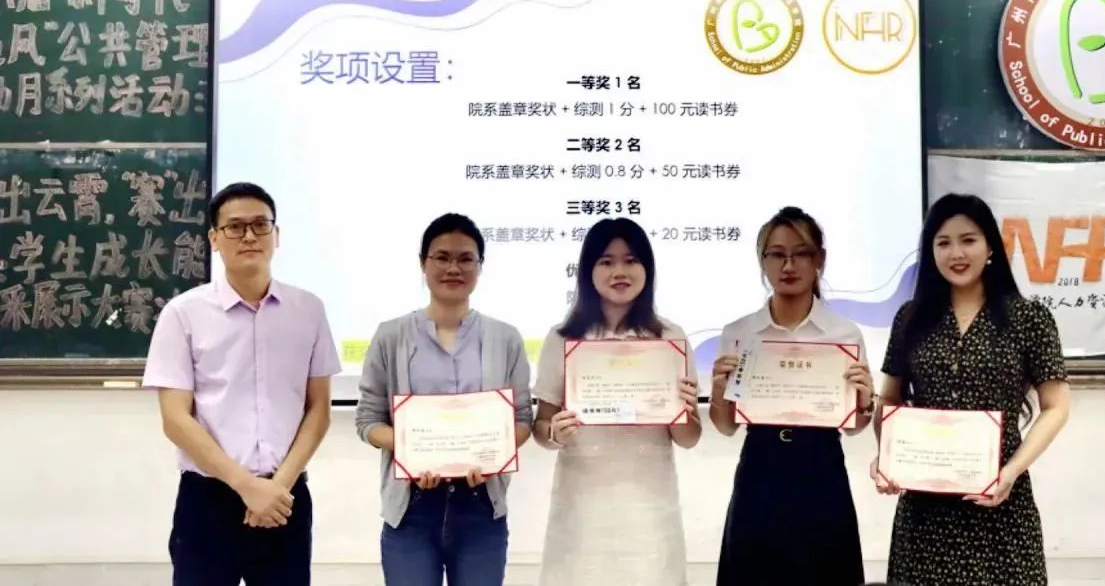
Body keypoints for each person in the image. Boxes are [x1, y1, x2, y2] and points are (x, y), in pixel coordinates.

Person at [142, 181, 341, 586]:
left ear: (276, 234)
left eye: (260, 225)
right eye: (234, 227)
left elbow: (319, 409)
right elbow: (175, 419)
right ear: (214, 239)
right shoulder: (183, 314)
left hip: (285, 498)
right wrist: (246, 486)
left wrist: (277, 487)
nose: (249, 236)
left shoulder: (308, 310)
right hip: (209, 501)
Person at [872, 193, 1071, 586]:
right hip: (925, 512)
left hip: (999, 501)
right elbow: (890, 399)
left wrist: (1011, 471)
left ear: (990, 246)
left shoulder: (1029, 318)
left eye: (968, 240)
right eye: (943, 243)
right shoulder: (910, 318)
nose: (956, 253)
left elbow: (1056, 406)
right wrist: (888, 459)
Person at [355, 212, 533, 586]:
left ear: (480, 266)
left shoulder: (506, 338)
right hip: (411, 508)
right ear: (423, 263)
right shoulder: (391, 336)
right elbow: (368, 421)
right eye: (442, 257)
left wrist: (492, 457)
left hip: (481, 508)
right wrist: (414, 450)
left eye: (466, 258)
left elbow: (521, 421)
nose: (454, 268)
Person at [710, 206, 874, 586]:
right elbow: (726, 426)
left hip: (821, 468)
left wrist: (866, 401)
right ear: (763, 261)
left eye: (801, 253)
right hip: (760, 469)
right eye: (776, 254)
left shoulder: (844, 335)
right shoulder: (739, 333)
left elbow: (854, 427)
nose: (788, 265)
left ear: (819, 259)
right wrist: (718, 391)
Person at [532, 217, 701, 586]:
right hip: (582, 507)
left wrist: (682, 411)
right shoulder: (562, 338)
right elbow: (541, 428)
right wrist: (555, 432)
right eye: (606, 261)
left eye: (631, 260)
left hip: (649, 507)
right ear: (588, 271)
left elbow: (689, 438)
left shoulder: (669, 337)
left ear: (647, 269)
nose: (619, 272)